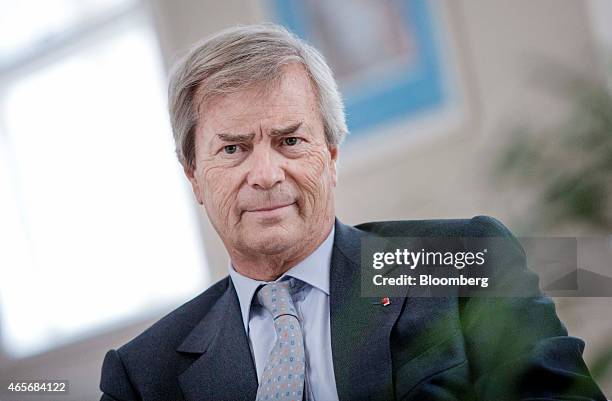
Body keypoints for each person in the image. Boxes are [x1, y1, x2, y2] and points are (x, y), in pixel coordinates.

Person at [99, 24, 606, 401]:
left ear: (332, 155)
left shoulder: (462, 259)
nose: (266, 173)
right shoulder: (143, 374)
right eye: (232, 149)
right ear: (193, 175)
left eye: (290, 140)